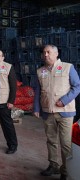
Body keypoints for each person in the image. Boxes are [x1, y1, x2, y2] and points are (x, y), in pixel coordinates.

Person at [33, 44, 80, 180]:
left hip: (65, 112)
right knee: (51, 140)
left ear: (56, 54)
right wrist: (36, 108)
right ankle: (53, 165)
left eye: (48, 52)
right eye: (44, 52)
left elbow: (77, 87)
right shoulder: (40, 71)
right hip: (48, 112)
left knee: (65, 143)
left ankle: (65, 170)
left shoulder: (67, 67)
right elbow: (37, 92)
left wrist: (64, 100)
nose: (45, 54)